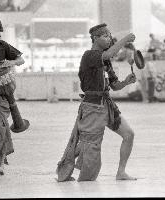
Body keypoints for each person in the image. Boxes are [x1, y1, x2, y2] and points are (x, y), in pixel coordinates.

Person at [56, 23, 137, 182]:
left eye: (109, 35)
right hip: (92, 107)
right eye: (105, 36)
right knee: (91, 147)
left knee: (129, 134)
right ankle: (74, 169)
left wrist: (126, 82)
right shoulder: (90, 55)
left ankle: (121, 172)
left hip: (107, 105)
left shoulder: (106, 62)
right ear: (95, 38)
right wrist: (125, 40)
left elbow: (114, 86)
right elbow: (109, 54)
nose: (109, 39)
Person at [0, 14, 25, 176]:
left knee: (0, 124)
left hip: (3, 93)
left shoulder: (2, 45)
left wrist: (11, 62)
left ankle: (1, 161)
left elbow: (20, 60)